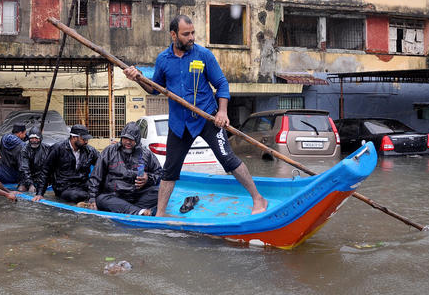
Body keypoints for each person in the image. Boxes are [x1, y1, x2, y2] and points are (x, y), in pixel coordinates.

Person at [123, 14, 268, 216]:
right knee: (170, 170)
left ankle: (258, 199)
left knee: (228, 160)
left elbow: (221, 85)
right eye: (186, 34)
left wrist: (223, 112)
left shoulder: (203, 55)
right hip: (179, 124)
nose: (191, 37)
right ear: (173, 35)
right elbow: (154, 88)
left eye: (192, 33)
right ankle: (161, 213)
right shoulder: (163, 59)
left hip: (207, 118)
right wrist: (138, 78)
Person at [87, 122, 162, 216]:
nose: (128, 142)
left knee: (160, 192)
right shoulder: (109, 151)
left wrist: (148, 178)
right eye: (125, 138)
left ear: (137, 140)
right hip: (114, 196)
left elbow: (159, 174)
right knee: (101, 199)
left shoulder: (146, 154)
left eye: (131, 139)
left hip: (137, 196)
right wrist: (92, 198)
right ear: (121, 138)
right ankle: (137, 211)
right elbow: (96, 176)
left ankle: (130, 209)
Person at [33, 124, 99, 203]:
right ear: (74, 138)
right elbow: (46, 170)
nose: (86, 142)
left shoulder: (90, 151)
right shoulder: (57, 148)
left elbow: (103, 164)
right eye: (84, 139)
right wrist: (40, 193)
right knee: (76, 196)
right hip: (64, 187)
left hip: (83, 185)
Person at [0, 123, 26, 190]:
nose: (25, 136)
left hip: (1, 174)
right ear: (20, 133)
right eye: (24, 134)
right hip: (14, 177)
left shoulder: (4, 138)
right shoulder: (21, 145)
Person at [19, 127, 51, 194]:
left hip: (42, 176)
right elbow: (24, 169)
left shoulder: (47, 148)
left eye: (36, 138)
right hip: (28, 177)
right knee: (21, 189)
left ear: (40, 139)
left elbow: (51, 165)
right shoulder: (24, 150)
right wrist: (30, 184)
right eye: (32, 138)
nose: (34, 140)